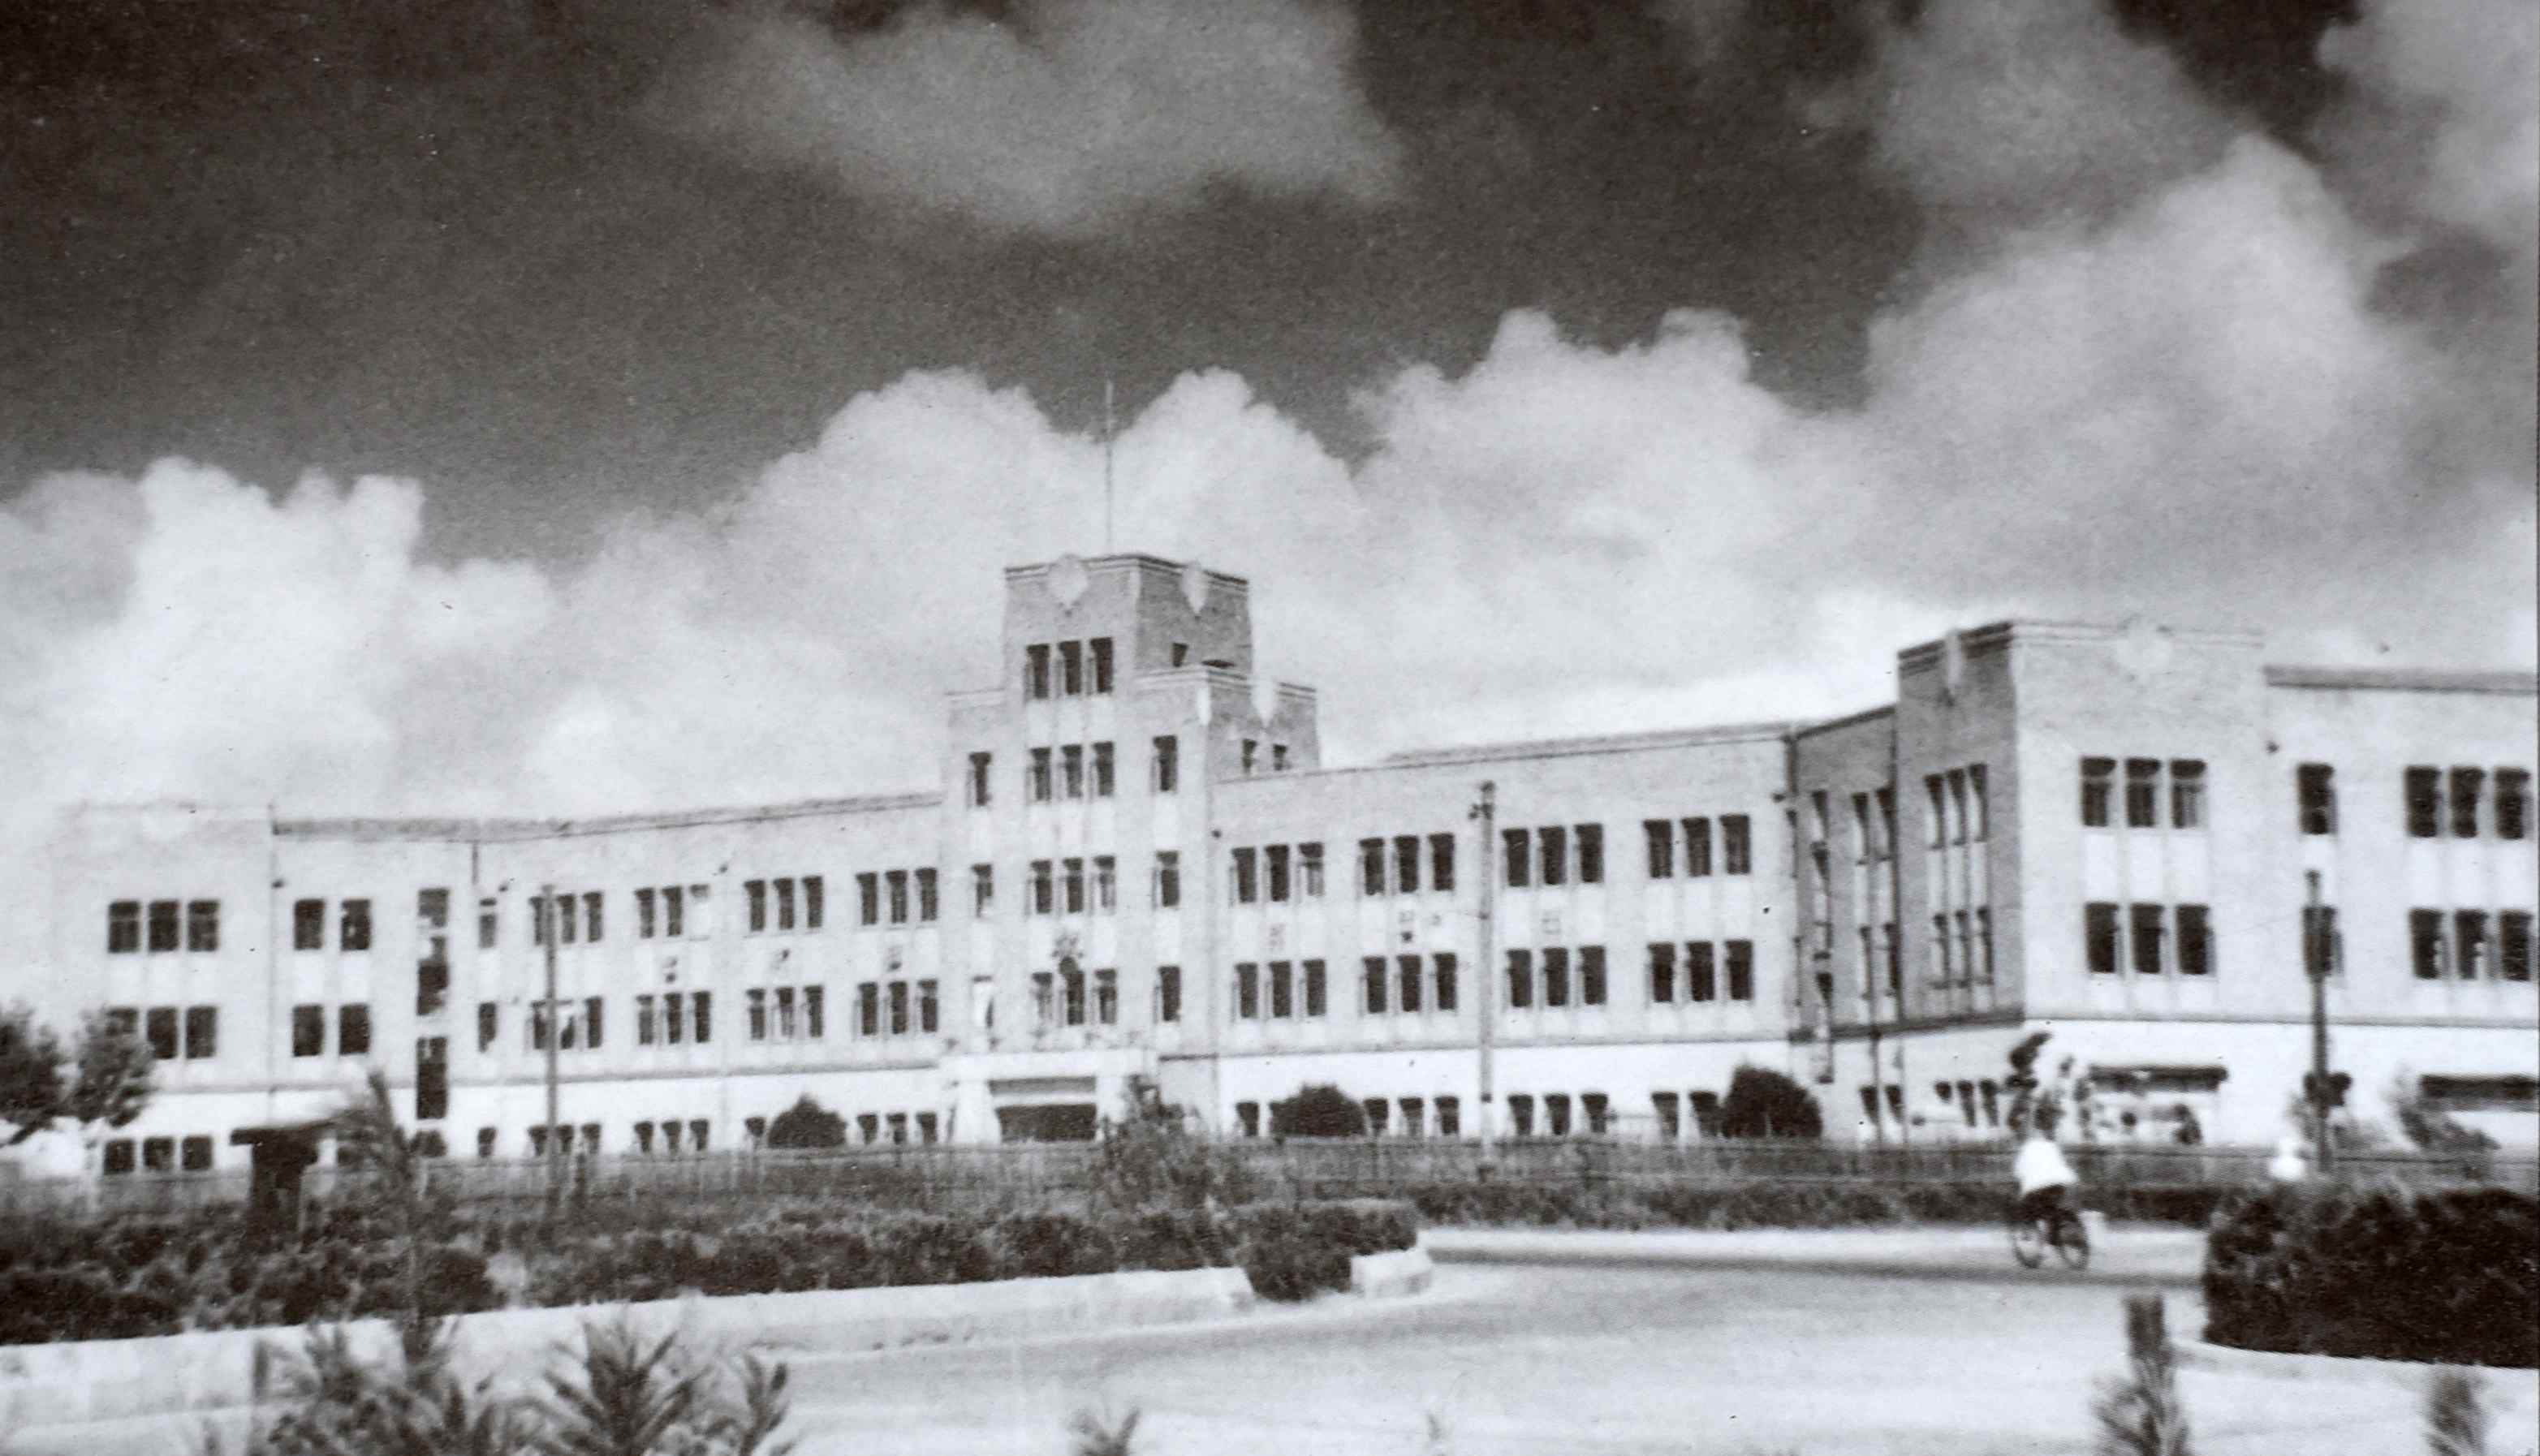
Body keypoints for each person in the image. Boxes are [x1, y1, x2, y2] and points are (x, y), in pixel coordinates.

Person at [2014, 1126, 2080, 1233]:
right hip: (2064, 1181)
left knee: (2033, 1208)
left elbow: (2019, 1170)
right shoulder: (2052, 1146)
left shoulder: (2026, 1149)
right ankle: (2067, 1230)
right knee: (2058, 1207)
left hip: (2039, 1185)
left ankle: (2034, 1232)